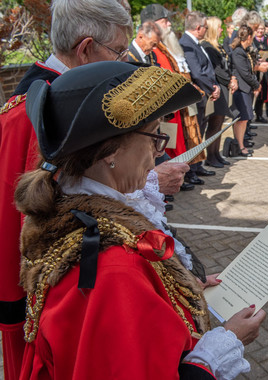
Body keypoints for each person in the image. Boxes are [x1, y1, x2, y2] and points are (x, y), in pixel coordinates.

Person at [15, 61, 266, 380]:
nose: (158, 155)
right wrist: (226, 342)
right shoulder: (114, 267)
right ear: (110, 152)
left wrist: (175, 287)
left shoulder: (67, 206)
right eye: (154, 137)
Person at [0, 1, 133, 379]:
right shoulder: (45, 106)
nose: (123, 62)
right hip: (53, 288)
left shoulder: (56, 95)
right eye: (118, 51)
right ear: (86, 48)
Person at [140, 4, 204, 193]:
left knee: (178, 145)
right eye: (164, 20)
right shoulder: (154, 49)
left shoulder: (166, 46)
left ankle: (182, 175)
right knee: (168, 147)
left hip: (177, 106)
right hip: (168, 108)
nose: (168, 24)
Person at [179, 11, 220, 185]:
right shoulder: (186, 44)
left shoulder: (195, 43)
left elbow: (207, 69)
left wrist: (215, 86)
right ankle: (191, 170)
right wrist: (212, 88)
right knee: (194, 134)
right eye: (205, 27)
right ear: (198, 28)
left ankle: (198, 165)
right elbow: (197, 72)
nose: (206, 30)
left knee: (200, 132)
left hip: (205, 94)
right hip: (197, 96)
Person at [202, 16, 238, 167]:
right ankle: (211, 156)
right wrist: (229, 79)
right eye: (219, 27)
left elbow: (225, 66)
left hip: (223, 86)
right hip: (218, 86)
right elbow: (217, 70)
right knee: (214, 124)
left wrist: (231, 77)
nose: (222, 30)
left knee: (219, 124)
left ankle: (216, 153)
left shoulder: (217, 46)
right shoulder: (207, 46)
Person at [231, 26, 261, 156]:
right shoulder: (238, 52)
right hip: (241, 89)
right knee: (241, 119)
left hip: (245, 88)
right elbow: (244, 73)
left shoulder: (244, 51)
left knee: (244, 119)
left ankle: (240, 142)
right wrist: (256, 85)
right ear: (248, 38)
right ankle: (240, 146)